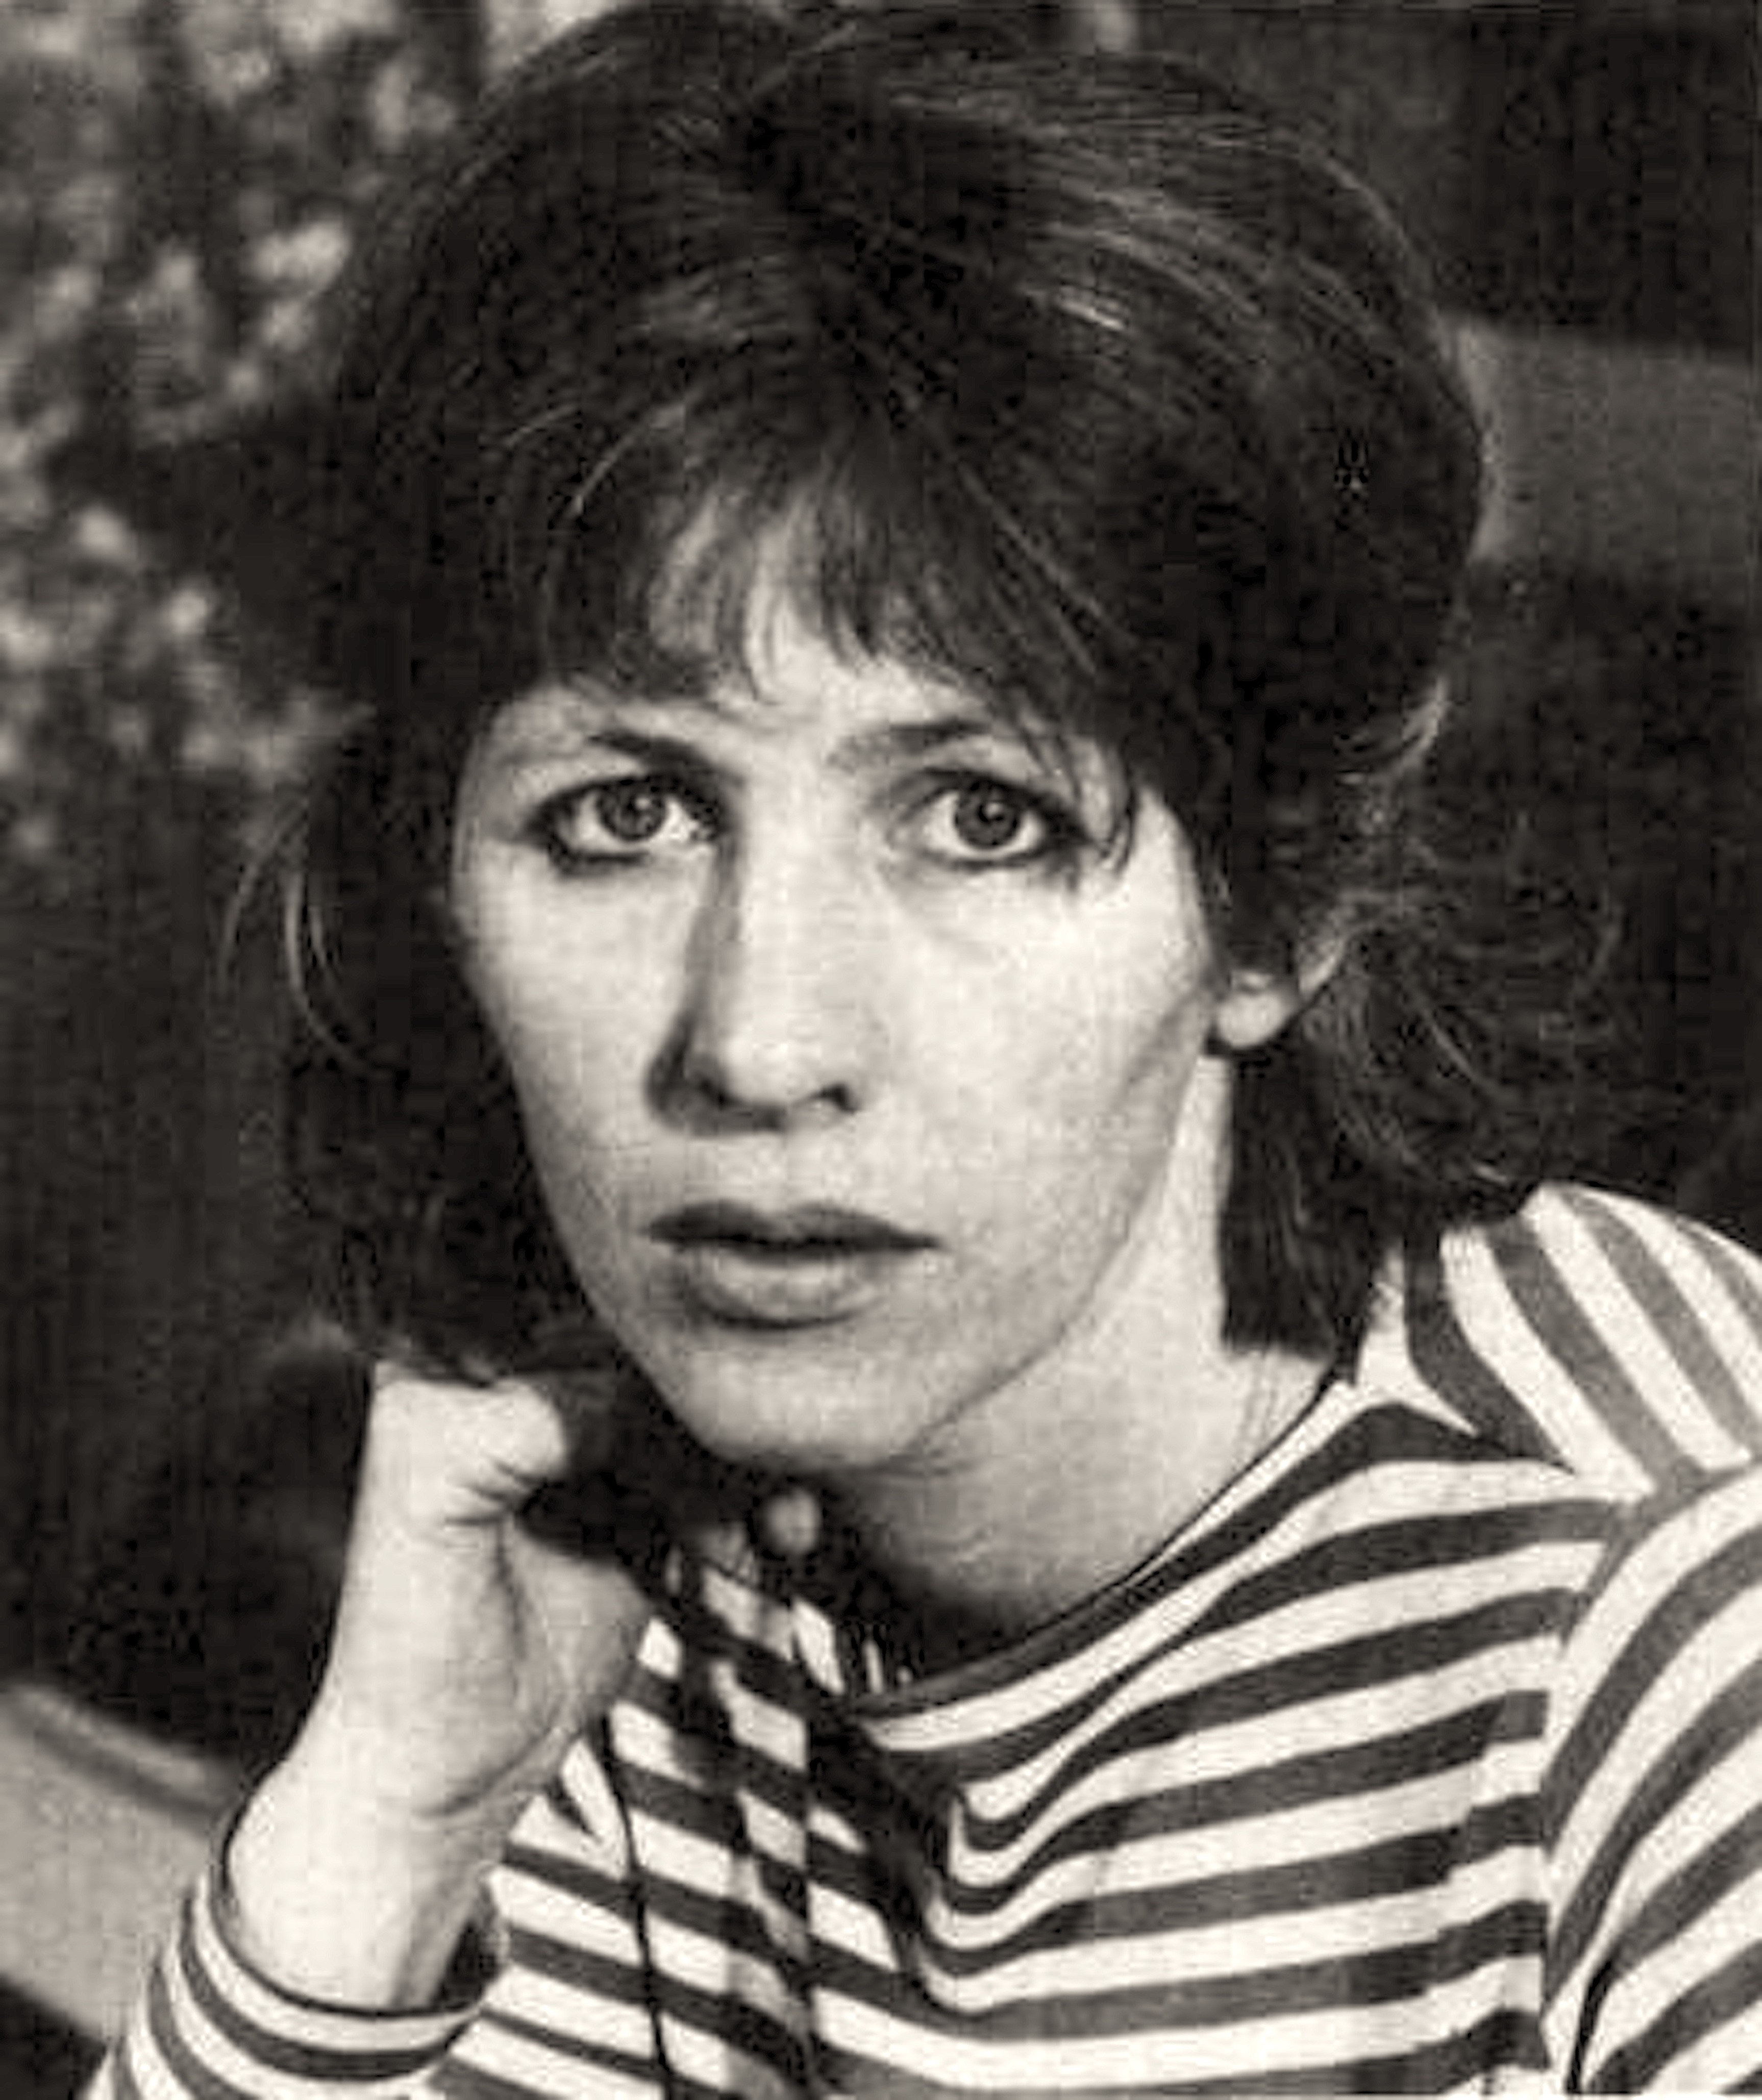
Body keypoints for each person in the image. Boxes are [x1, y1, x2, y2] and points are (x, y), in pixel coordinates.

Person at [92, 2, 1762, 2092]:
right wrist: (391, 1826)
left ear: (1285, 896)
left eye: (983, 816)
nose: (760, 1040)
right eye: (626, 812)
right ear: (438, 874)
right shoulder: (613, 1567)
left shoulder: (1683, 1616)